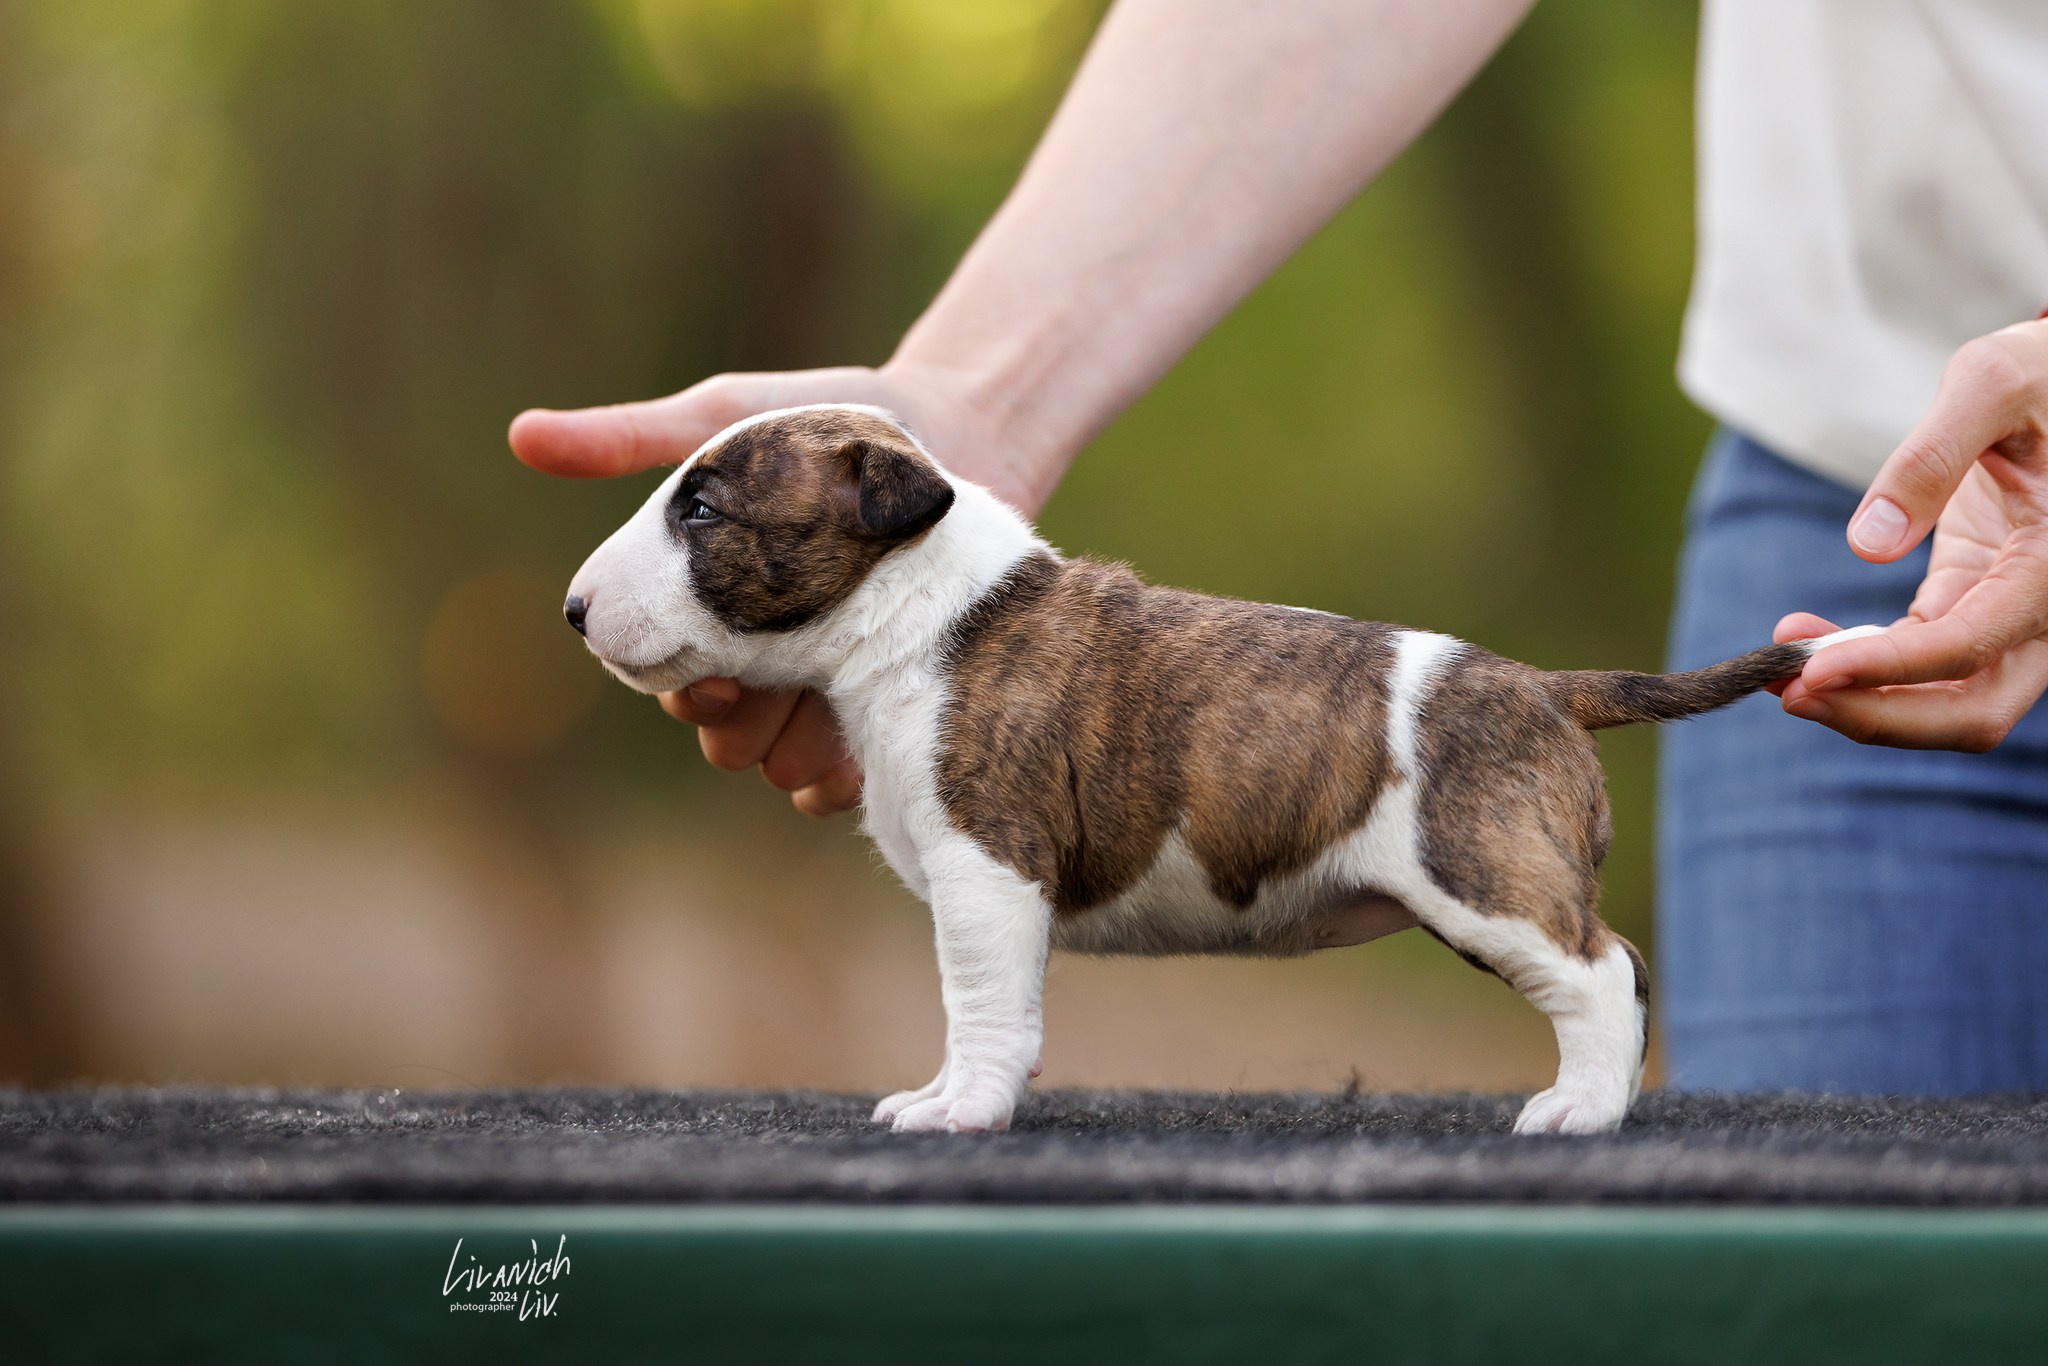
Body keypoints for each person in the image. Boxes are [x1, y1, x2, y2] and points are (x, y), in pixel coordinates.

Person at [510, 0, 2048, 1095]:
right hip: (1874, 501)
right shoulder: (948, 622)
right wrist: (987, 390)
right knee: (1816, 1267)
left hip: (1853, 521)